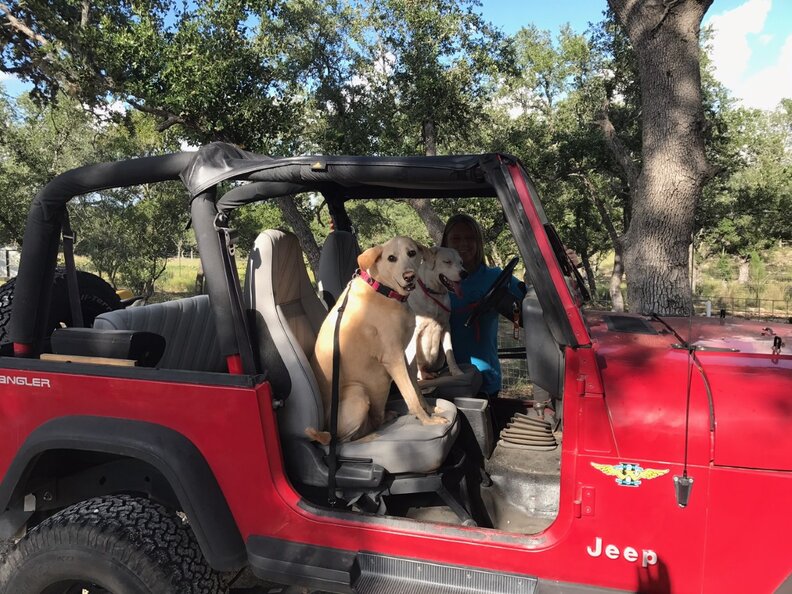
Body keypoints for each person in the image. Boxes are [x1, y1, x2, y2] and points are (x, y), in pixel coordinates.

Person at [441, 214, 526, 397]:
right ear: (445, 243)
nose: (463, 244)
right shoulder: (436, 282)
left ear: (478, 242)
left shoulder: (495, 277)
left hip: (485, 377)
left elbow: (525, 306)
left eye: (470, 238)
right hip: (444, 377)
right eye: (456, 238)